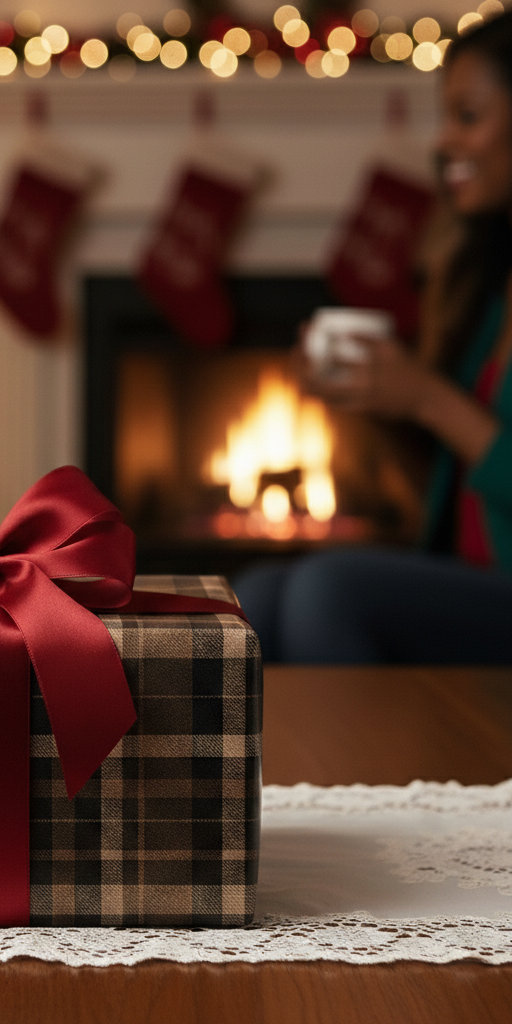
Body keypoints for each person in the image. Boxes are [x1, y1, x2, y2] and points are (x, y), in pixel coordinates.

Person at [233, 12, 512, 663]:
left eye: (467, 116)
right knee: (255, 596)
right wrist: (379, 403)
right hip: (475, 584)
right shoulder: (489, 288)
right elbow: (460, 489)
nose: (443, 143)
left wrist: (427, 399)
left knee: (328, 590)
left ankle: (360, 771)